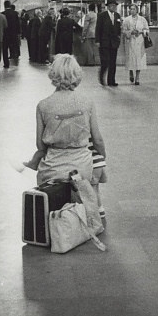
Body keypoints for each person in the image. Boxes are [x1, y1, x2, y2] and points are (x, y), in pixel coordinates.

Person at [30, 54, 107, 230]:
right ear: (76, 75)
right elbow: (98, 139)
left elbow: (40, 146)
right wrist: (102, 156)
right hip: (82, 166)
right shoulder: (86, 102)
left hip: (52, 168)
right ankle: (91, 209)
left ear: (53, 75)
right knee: (97, 164)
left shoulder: (43, 105)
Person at [95, 0, 122, 87]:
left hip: (114, 42)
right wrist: (97, 40)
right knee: (105, 61)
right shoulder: (102, 15)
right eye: (111, 5)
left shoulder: (117, 16)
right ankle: (101, 77)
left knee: (113, 62)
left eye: (115, 6)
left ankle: (111, 80)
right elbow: (98, 29)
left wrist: (118, 37)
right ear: (108, 6)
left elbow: (118, 28)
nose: (113, 7)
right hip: (104, 42)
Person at [121, 3, 150, 85]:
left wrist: (141, 32)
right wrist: (130, 32)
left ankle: (137, 77)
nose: (132, 10)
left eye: (133, 9)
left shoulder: (142, 19)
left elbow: (147, 30)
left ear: (137, 10)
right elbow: (123, 30)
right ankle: (131, 72)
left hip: (139, 41)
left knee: (139, 59)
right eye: (131, 9)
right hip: (130, 41)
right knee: (130, 58)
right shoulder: (126, 20)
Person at [2, 1, 21, 68]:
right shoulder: (15, 13)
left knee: (5, 49)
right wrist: (18, 33)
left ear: (4, 6)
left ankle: (6, 64)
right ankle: (15, 62)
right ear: (10, 5)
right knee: (14, 47)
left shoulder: (3, 14)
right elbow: (18, 24)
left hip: (5, 34)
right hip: (14, 34)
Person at [79, 2, 98, 67]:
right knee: (93, 48)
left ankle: (90, 62)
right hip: (95, 33)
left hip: (89, 33)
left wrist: (83, 35)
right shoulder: (96, 15)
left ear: (88, 8)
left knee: (89, 49)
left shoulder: (88, 15)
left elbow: (86, 26)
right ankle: (93, 61)